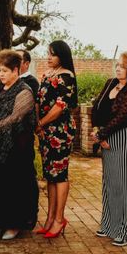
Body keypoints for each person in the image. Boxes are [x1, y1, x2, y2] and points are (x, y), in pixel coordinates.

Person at [91, 51, 127, 247]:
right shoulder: (110, 83)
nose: (118, 69)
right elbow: (96, 107)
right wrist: (97, 129)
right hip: (108, 135)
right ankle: (110, 225)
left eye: (122, 66)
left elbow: (123, 117)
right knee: (110, 183)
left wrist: (102, 134)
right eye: (117, 65)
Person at [0, 50, 38, 240]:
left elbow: (16, 118)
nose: (1, 74)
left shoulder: (24, 90)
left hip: (17, 147)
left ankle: (14, 225)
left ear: (16, 70)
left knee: (14, 186)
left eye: (5, 71)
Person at [36, 40, 78, 238]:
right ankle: (50, 217)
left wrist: (41, 122)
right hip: (45, 131)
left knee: (59, 175)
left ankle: (60, 219)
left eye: (53, 54)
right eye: (48, 53)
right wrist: (39, 124)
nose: (48, 57)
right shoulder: (48, 75)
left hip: (60, 132)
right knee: (50, 176)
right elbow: (39, 101)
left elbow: (61, 106)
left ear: (62, 55)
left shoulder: (66, 77)